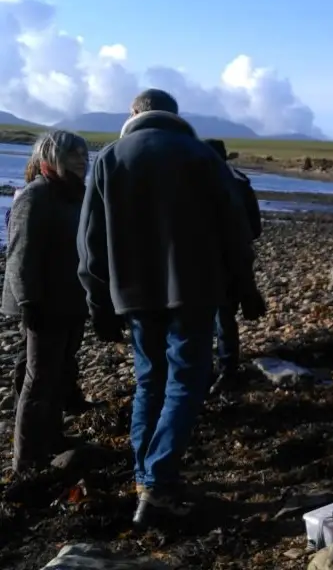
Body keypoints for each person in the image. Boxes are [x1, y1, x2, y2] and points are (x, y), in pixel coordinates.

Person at [76, 89, 266, 526]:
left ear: (134, 113)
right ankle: (157, 483)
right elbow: (234, 232)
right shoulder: (201, 157)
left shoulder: (109, 159)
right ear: (174, 115)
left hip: (134, 296)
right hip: (196, 292)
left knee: (149, 383)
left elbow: (88, 246)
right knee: (185, 381)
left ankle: (147, 481)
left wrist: (98, 302)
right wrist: (245, 288)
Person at [1, 130, 90, 474]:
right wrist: (28, 303)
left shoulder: (76, 196)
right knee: (38, 381)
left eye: (83, 155)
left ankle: (52, 438)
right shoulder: (36, 196)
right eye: (72, 155)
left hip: (71, 300)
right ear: (49, 159)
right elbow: (20, 256)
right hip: (43, 303)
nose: (81, 161)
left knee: (60, 372)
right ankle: (26, 461)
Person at [202, 138, 262, 394]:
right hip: (236, 261)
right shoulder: (240, 183)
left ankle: (208, 372)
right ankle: (227, 370)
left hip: (205, 263)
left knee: (206, 320)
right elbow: (255, 228)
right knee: (225, 318)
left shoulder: (197, 185)